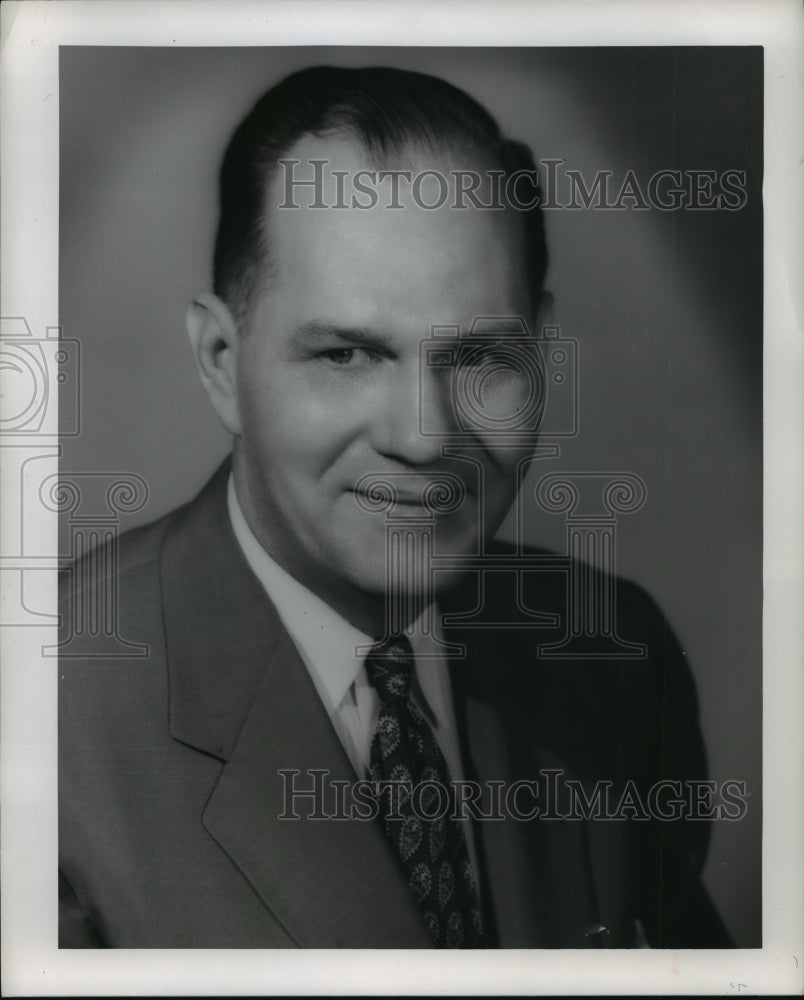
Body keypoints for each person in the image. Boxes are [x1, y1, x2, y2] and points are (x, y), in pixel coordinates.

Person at [58, 65, 732, 948]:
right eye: (347, 356)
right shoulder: (46, 721)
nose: (423, 439)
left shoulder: (614, 659)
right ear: (221, 360)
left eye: (482, 357)